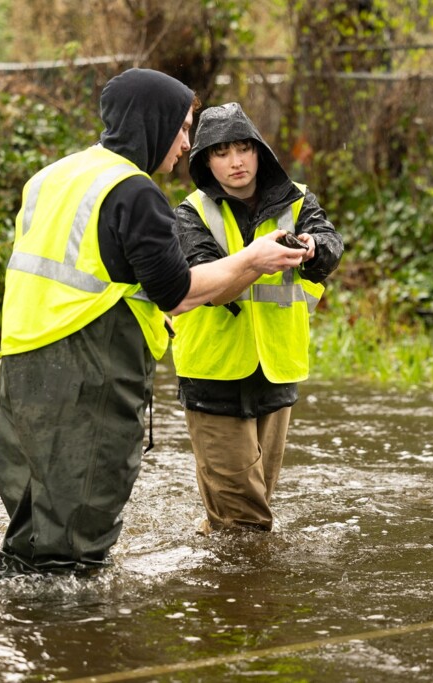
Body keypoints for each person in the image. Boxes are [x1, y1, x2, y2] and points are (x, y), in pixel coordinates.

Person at [0, 70, 309, 579]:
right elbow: (176, 292)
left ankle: (26, 623)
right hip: (87, 372)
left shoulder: (52, 175)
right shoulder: (132, 190)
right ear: (152, 122)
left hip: (22, 364)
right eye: (182, 127)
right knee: (82, 526)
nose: (187, 144)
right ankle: (78, 640)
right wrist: (252, 260)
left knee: (33, 516)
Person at [172, 102, 344, 535]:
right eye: (221, 152)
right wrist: (255, 259)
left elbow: (330, 244)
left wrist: (313, 248)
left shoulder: (299, 200)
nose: (235, 162)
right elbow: (204, 286)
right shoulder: (191, 213)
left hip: (277, 369)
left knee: (245, 514)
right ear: (204, 161)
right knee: (246, 522)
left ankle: (219, 586)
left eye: (244, 148)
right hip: (214, 372)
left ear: (260, 152)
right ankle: (245, 597)